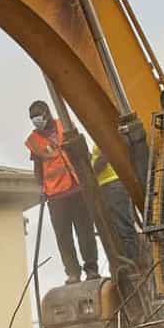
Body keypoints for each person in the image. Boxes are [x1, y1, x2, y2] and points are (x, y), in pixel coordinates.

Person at [25, 100, 100, 283]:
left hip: (76, 187)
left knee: (85, 230)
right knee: (63, 236)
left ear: (47, 113)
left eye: (38, 117)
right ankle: (72, 272)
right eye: (33, 119)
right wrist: (40, 188)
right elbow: (38, 168)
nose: (36, 122)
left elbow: (81, 150)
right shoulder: (34, 141)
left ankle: (91, 268)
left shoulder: (63, 125)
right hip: (55, 194)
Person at [93, 155, 141, 275]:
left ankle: (134, 264)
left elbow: (103, 159)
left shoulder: (102, 138)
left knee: (124, 227)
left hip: (112, 183)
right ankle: (129, 263)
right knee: (117, 229)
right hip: (108, 185)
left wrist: (91, 169)